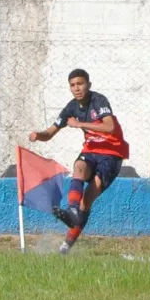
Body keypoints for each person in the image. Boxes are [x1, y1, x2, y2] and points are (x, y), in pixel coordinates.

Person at [28, 69, 130, 255]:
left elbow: (109, 126)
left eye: (80, 84)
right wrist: (37, 135)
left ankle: (67, 244)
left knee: (87, 200)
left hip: (112, 154)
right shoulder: (71, 108)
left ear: (88, 85)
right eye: (73, 85)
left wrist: (80, 124)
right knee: (79, 167)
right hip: (91, 151)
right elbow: (50, 133)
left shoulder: (99, 101)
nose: (77, 88)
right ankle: (72, 212)